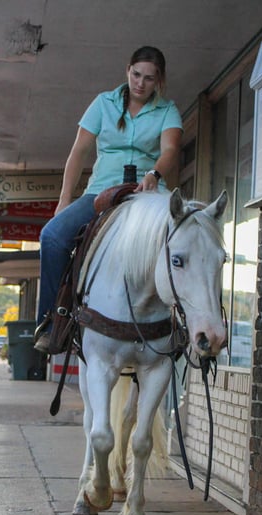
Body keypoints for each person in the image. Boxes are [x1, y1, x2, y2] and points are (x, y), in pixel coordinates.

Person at [34, 45, 183, 353]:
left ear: (160, 81)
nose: (140, 83)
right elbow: (78, 152)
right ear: (127, 71)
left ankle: (185, 323)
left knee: (186, 239)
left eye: (149, 78)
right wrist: (63, 200)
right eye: (136, 74)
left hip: (147, 193)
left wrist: (154, 174)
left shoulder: (168, 110)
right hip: (101, 191)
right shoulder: (103, 103)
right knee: (52, 236)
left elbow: (169, 150)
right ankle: (53, 320)